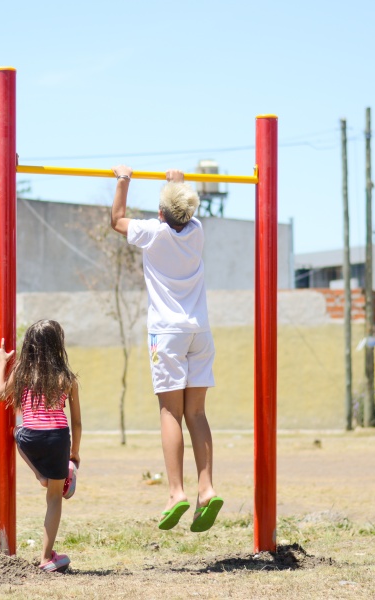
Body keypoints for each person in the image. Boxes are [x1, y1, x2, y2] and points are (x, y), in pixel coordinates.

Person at [110, 165, 223, 533]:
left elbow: (117, 220)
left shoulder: (153, 233)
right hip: (199, 331)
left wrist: (123, 180)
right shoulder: (198, 231)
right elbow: (181, 210)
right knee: (197, 413)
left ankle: (176, 493)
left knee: (170, 413)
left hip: (167, 334)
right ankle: (206, 488)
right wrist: (176, 184)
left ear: (160, 213)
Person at [0, 319, 82, 572]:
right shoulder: (67, 378)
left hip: (30, 437)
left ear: (29, 346)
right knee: (54, 498)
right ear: (58, 346)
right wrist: (74, 453)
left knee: (16, 433)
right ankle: (46, 558)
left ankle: (40, 475)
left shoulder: (22, 374)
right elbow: (77, 422)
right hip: (59, 438)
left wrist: (1, 363)